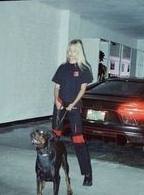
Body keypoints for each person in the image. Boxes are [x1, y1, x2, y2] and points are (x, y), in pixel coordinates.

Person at [51, 39, 93, 186]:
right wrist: (57, 99)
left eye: (74, 51)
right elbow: (56, 86)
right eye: (69, 50)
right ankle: (52, 168)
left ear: (79, 52)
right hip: (60, 105)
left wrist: (73, 104)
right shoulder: (62, 67)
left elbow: (82, 89)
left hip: (74, 107)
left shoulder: (84, 68)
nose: (71, 53)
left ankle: (87, 174)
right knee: (54, 137)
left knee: (78, 140)